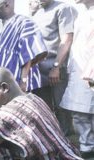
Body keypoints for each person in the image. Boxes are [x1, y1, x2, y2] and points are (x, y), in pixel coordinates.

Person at [0, 0, 48, 93]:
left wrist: (23, 81)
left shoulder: (25, 23)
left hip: (17, 84)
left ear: (7, 4)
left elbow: (28, 55)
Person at [31, 0, 77, 136]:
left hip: (56, 68)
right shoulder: (37, 13)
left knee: (61, 107)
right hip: (38, 71)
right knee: (43, 108)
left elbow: (67, 39)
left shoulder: (63, 8)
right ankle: (50, 139)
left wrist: (56, 67)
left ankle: (66, 142)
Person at [60, 0, 94, 158]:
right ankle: (87, 146)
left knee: (87, 111)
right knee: (80, 112)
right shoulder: (81, 15)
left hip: (89, 69)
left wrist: (91, 70)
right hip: (78, 69)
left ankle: (88, 147)